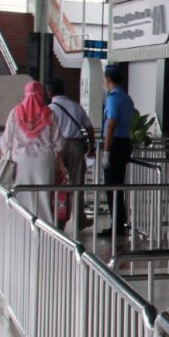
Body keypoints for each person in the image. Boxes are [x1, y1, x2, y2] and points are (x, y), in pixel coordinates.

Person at [0, 81, 64, 226]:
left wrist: (5, 155)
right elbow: (58, 142)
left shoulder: (15, 113)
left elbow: (6, 140)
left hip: (20, 161)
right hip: (44, 161)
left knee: (21, 192)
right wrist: (60, 163)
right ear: (41, 95)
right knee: (43, 194)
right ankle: (44, 225)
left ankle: (21, 223)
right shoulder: (49, 114)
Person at [47, 78, 96, 231]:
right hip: (76, 145)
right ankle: (79, 220)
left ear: (49, 92)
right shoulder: (76, 106)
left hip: (57, 148)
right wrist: (91, 147)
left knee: (57, 183)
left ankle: (56, 219)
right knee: (77, 183)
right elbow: (89, 128)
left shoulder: (49, 109)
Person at [101, 65, 134, 237]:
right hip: (125, 143)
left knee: (111, 186)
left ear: (108, 80)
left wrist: (106, 151)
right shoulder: (127, 98)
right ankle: (119, 223)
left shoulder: (113, 99)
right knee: (118, 186)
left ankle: (117, 225)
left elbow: (111, 124)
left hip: (115, 145)